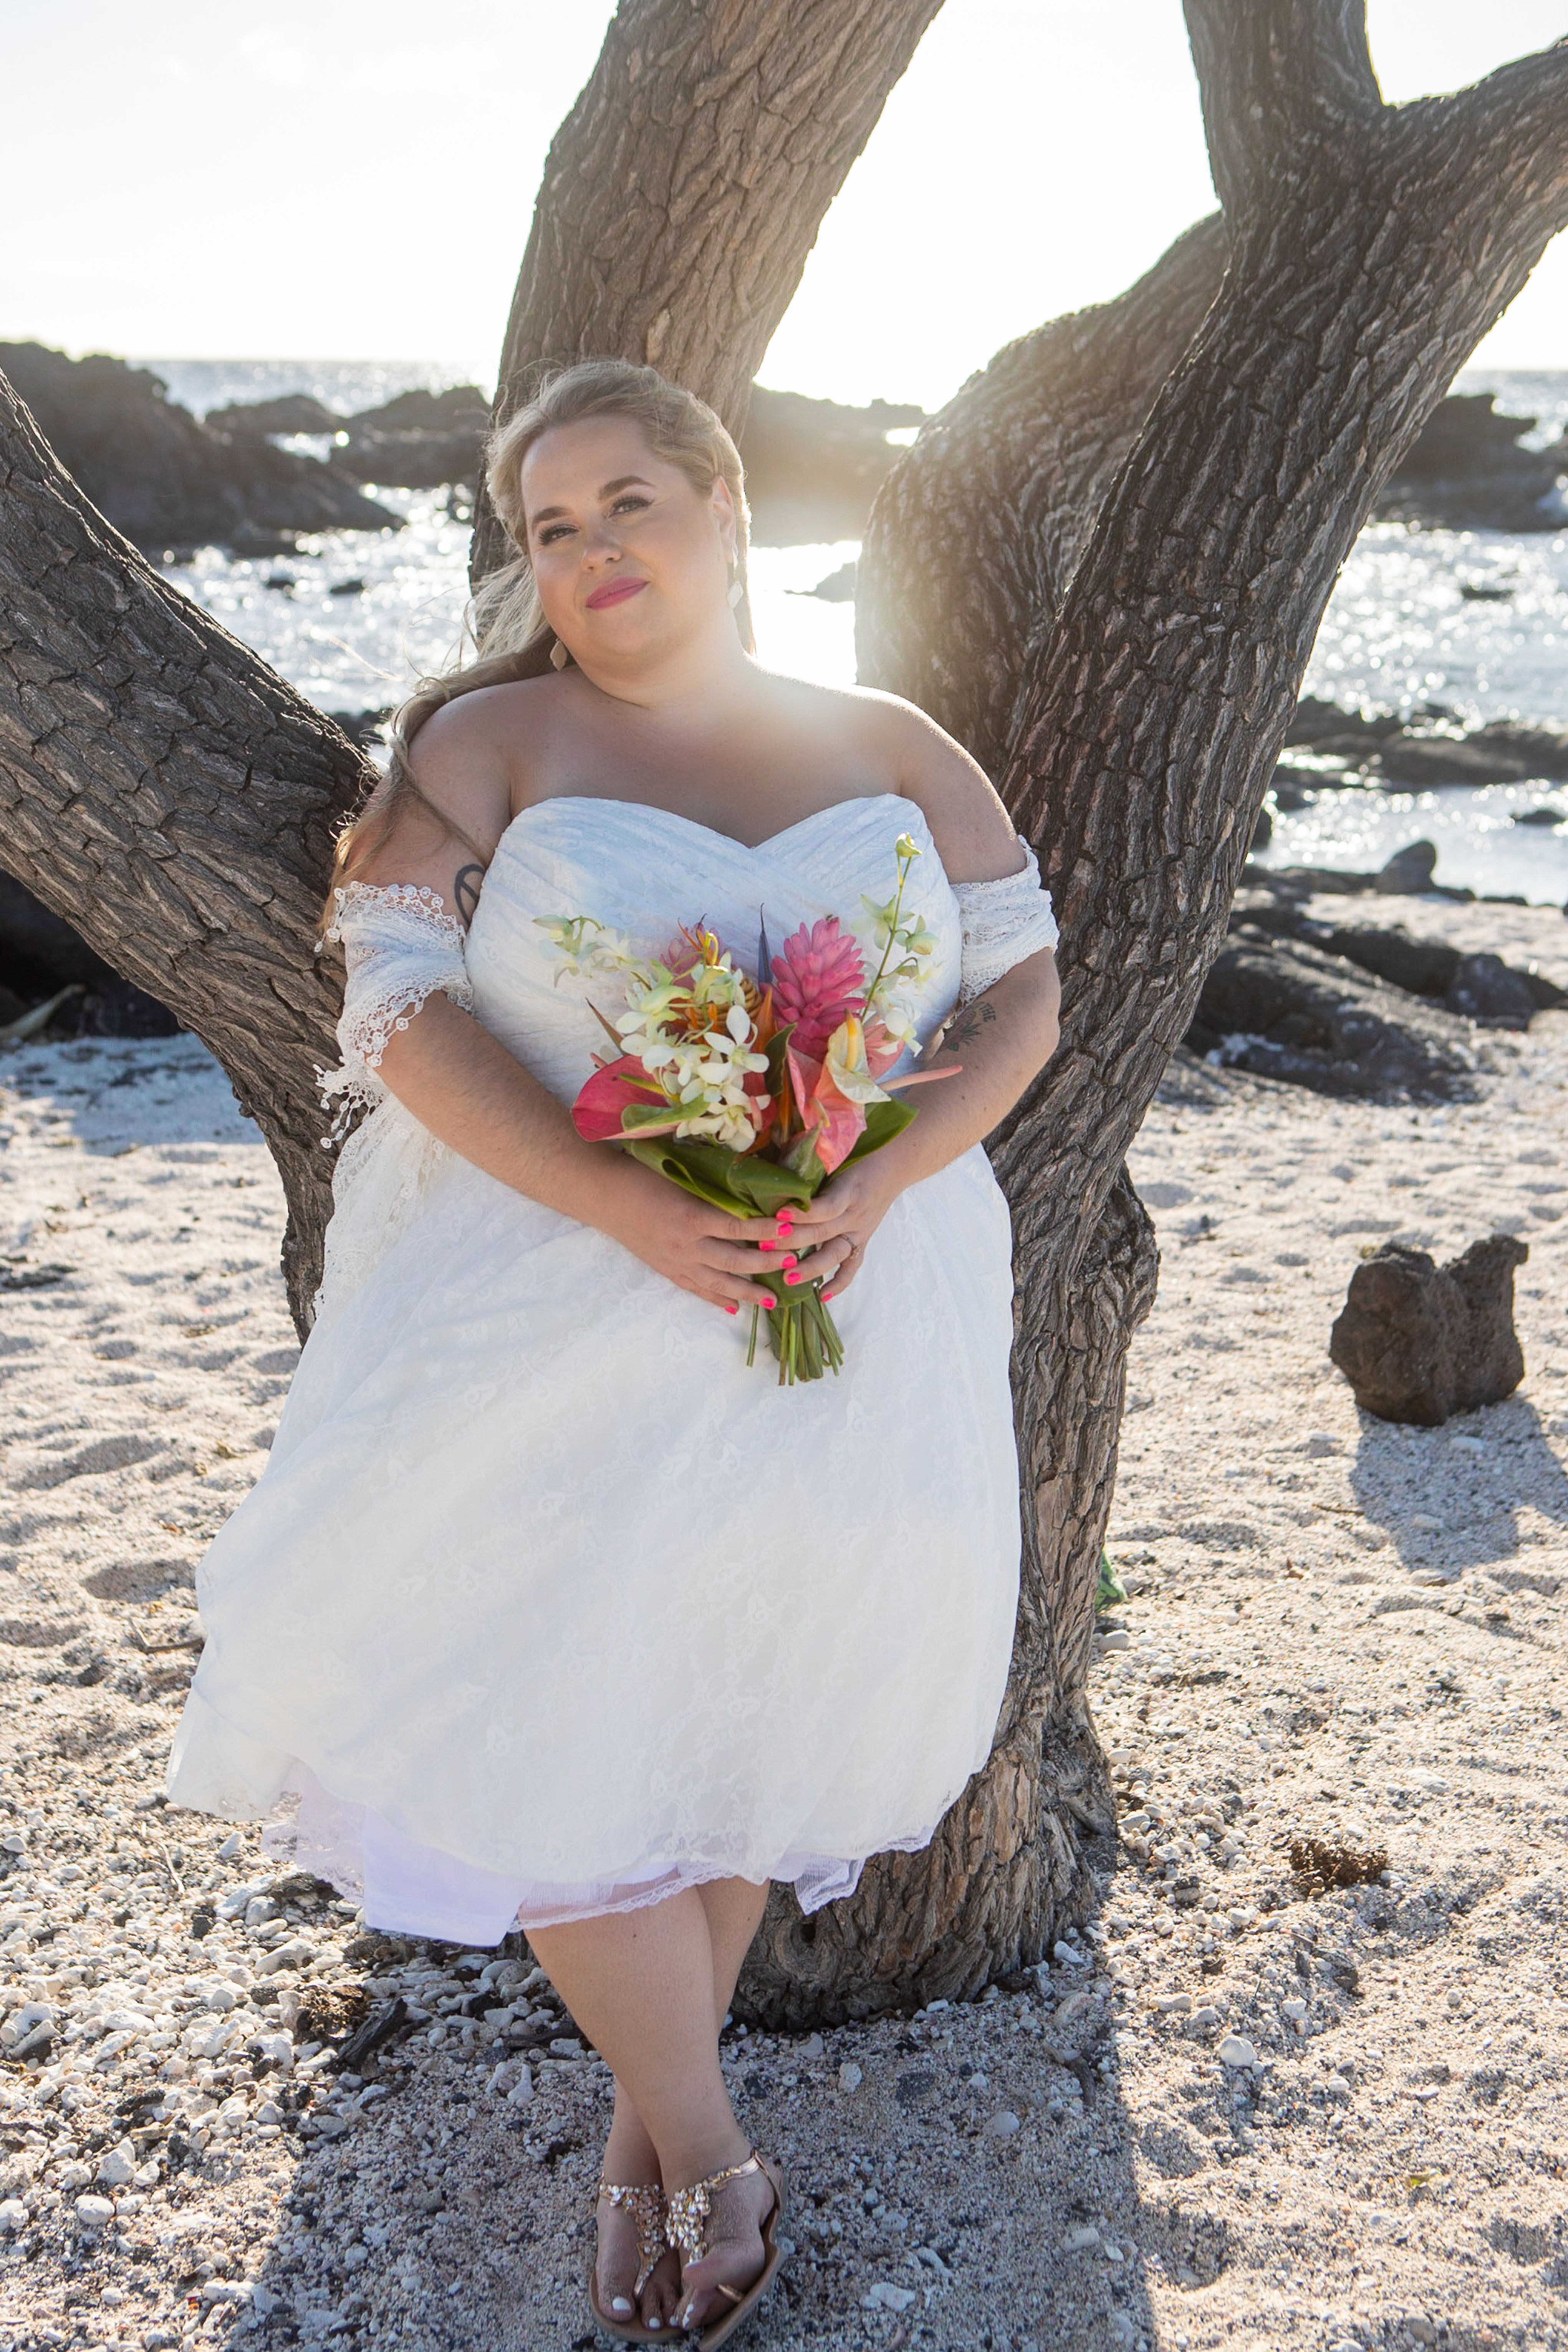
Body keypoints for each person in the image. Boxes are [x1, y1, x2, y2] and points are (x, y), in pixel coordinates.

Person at [166, 359, 1061, 2343]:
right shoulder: (488, 741)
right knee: (531, 1690)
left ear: (727, 508)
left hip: (852, 1282)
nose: (592, 551)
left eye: (627, 501)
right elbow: (395, 1015)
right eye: (550, 526)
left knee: (733, 1692)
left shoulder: (890, 736)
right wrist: (643, 1209)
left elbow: (1020, 991)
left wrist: (883, 1170)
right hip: (553, 1288)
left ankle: (654, 2131)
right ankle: (696, 2132)